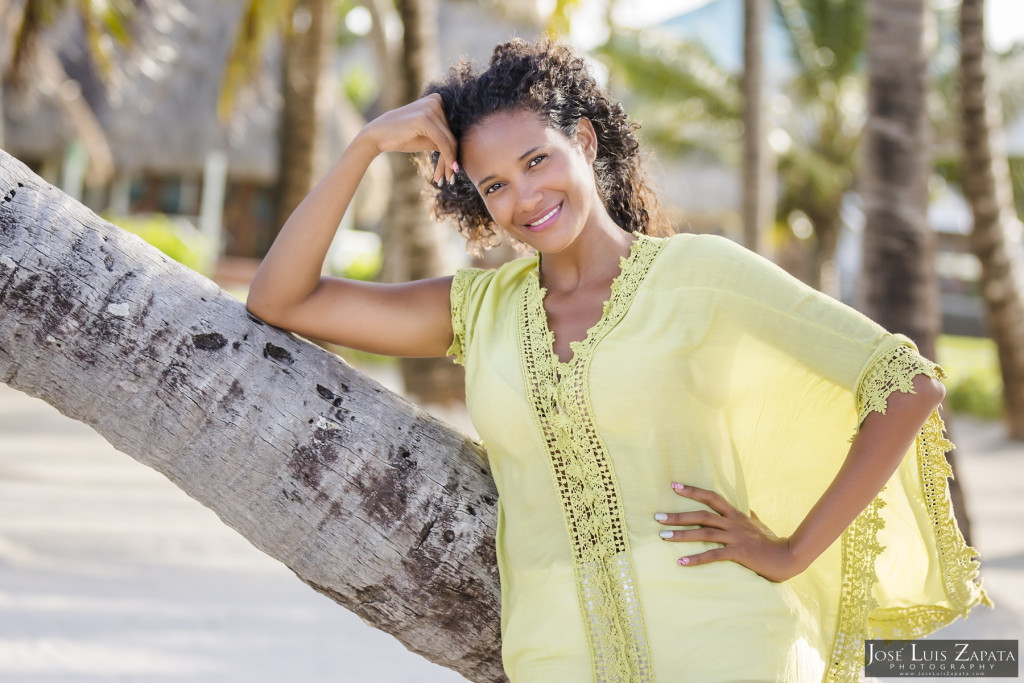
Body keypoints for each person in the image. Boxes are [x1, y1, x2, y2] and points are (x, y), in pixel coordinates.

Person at [246, 38, 990, 683]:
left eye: (539, 159)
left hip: (726, 647)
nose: (524, 196)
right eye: (496, 184)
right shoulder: (479, 311)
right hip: (556, 657)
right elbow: (283, 297)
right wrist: (367, 143)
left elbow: (905, 381)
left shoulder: (699, 275)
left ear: (588, 146)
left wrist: (792, 551)